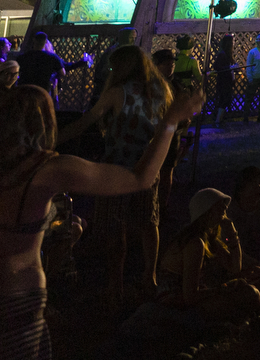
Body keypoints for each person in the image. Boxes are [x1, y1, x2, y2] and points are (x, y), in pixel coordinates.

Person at [1, 83, 203, 359]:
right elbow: (139, 179)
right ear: (45, 123)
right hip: (18, 296)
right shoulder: (48, 170)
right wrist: (169, 122)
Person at [55, 44, 171, 305]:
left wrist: (54, 138)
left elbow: (86, 122)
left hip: (116, 168)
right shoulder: (159, 91)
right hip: (148, 164)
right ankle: (149, 276)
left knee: (113, 224)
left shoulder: (118, 92)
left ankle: (115, 283)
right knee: (148, 222)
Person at [155, 188, 260, 318]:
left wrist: (233, 236)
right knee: (248, 292)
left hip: (196, 293)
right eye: (220, 207)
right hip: (177, 301)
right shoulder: (195, 243)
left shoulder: (208, 238)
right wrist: (225, 288)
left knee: (256, 272)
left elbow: (234, 268)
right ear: (206, 212)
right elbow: (189, 296)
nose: (225, 210)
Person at [15, 32, 90, 104]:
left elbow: (17, 72)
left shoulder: (23, 57)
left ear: (34, 41)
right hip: (43, 90)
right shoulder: (52, 57)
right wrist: (52, 77)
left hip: (25, 90)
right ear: (45, 43)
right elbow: (63, 71)